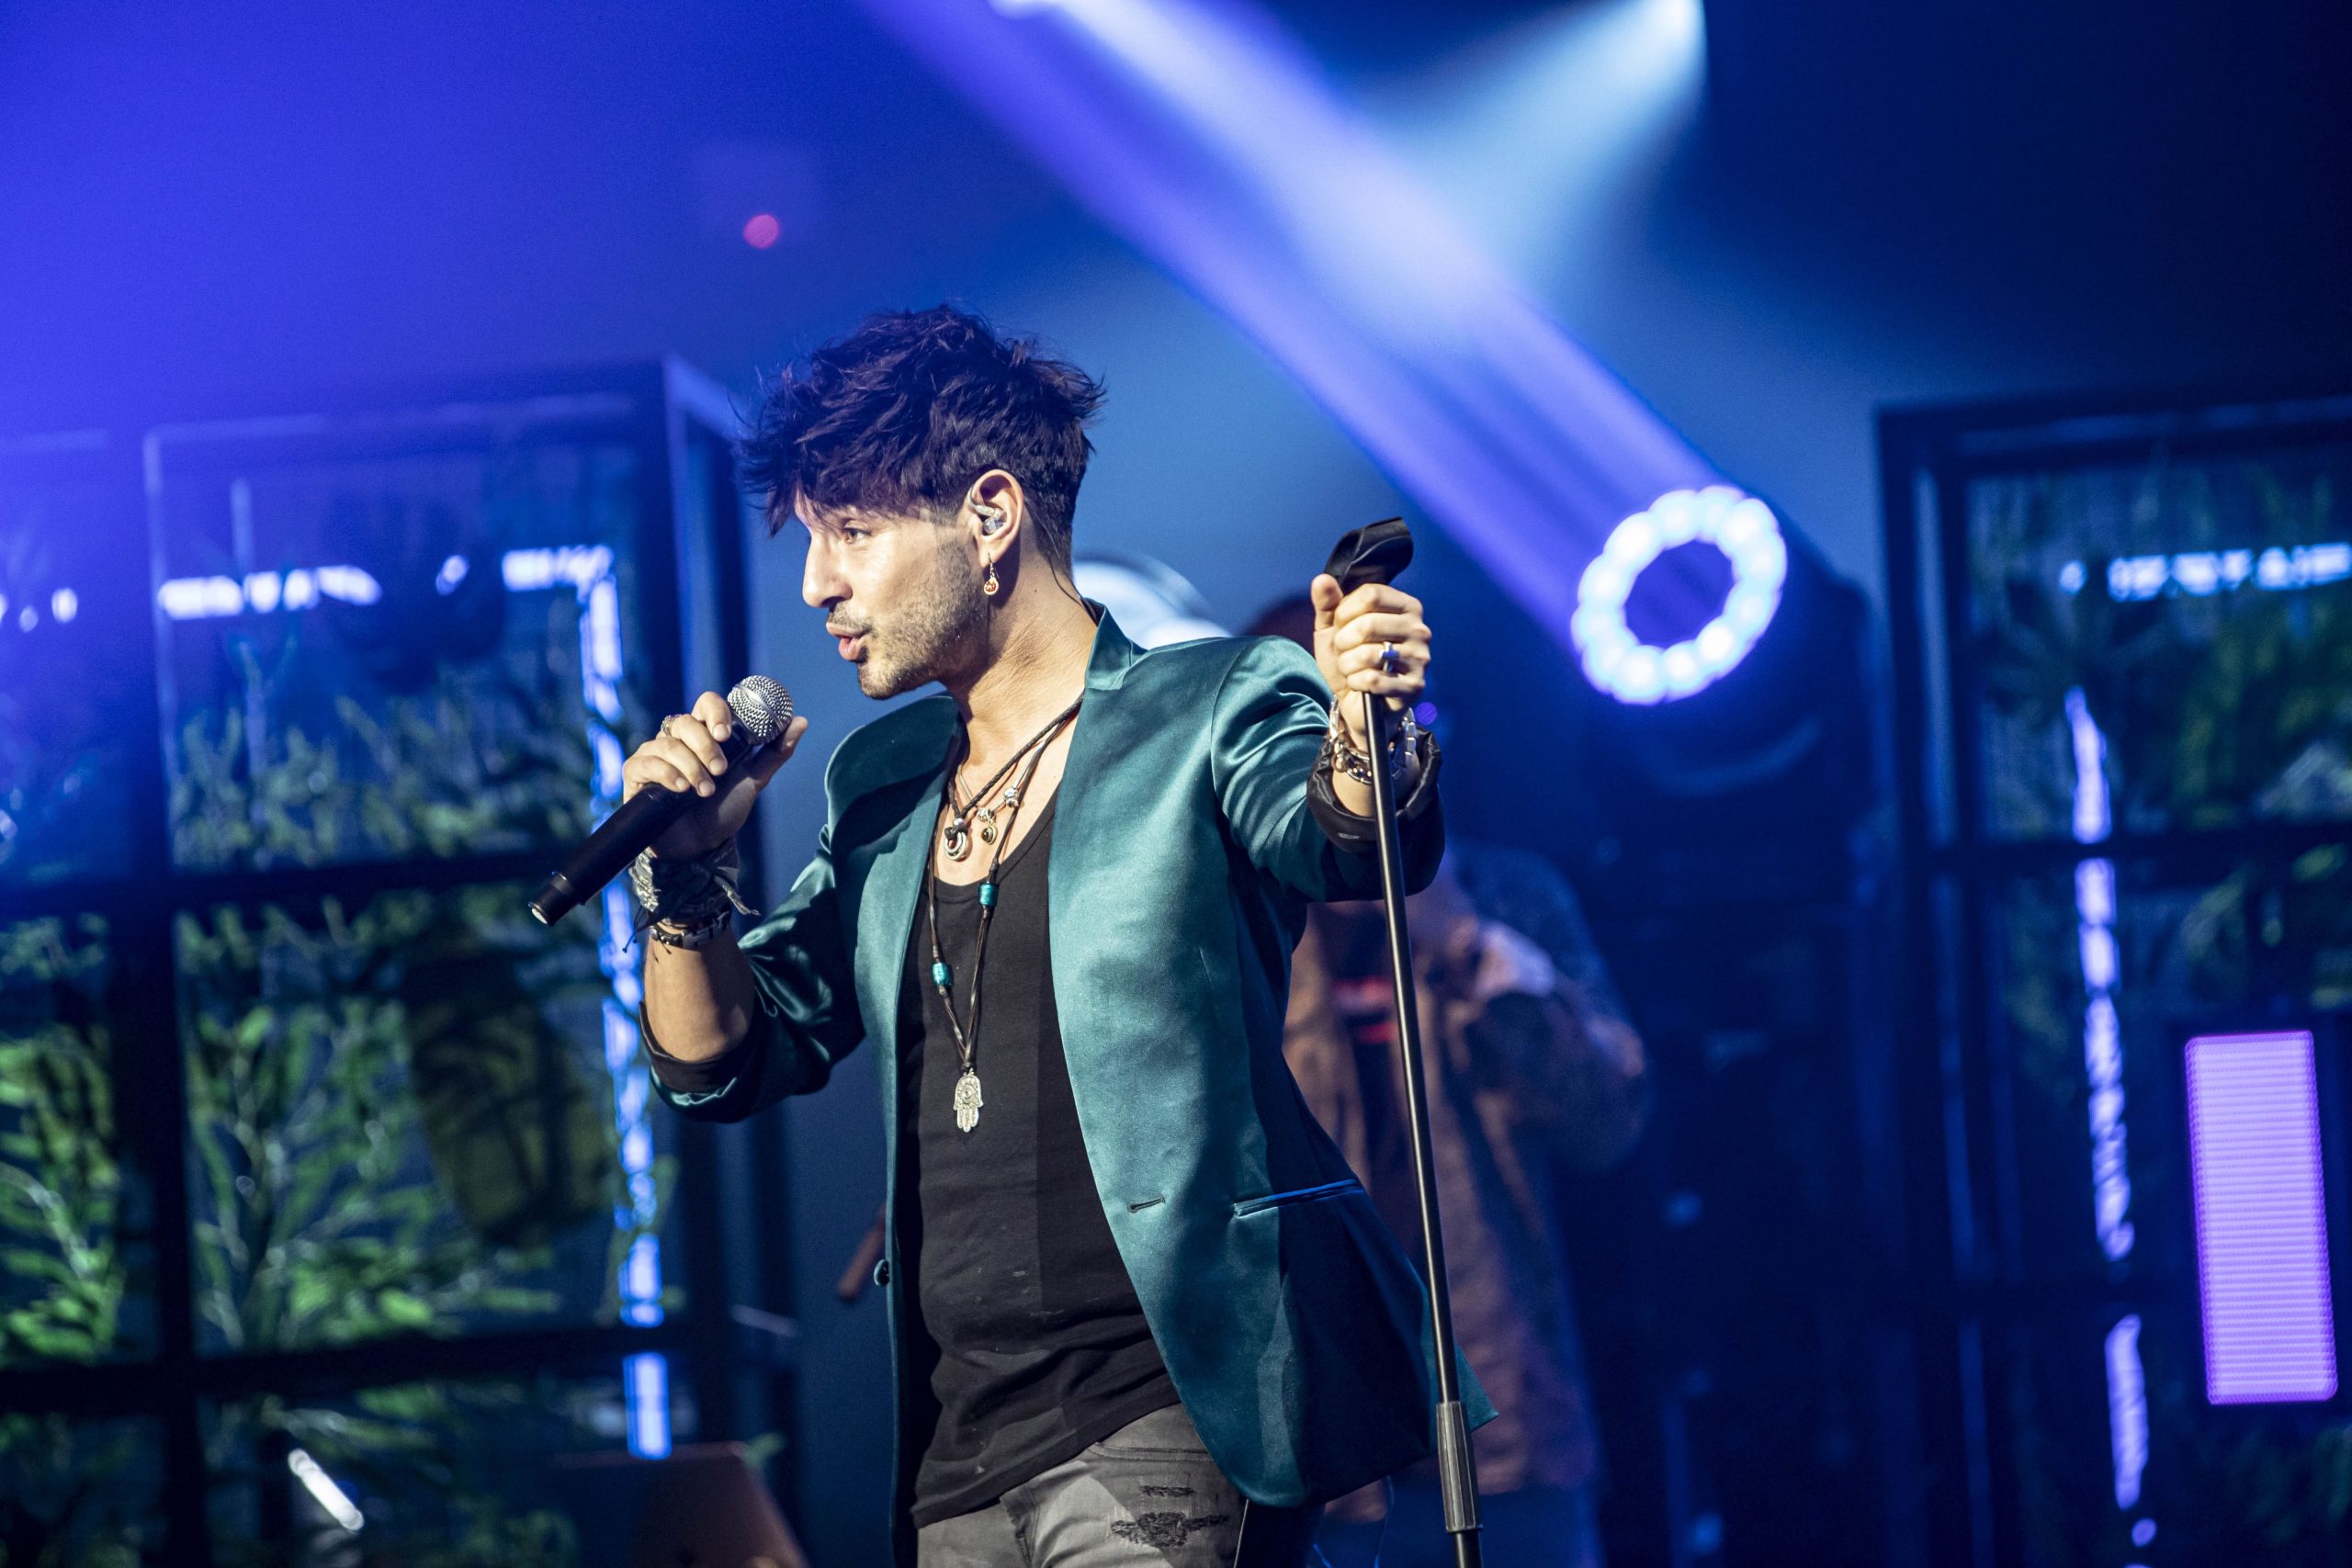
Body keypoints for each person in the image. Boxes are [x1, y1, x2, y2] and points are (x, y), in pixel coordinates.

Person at [624, 305, 1487, 1568]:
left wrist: (1366, 726)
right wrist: (684, 879)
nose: (818, 584)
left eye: (852, 533)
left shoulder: (1208, 704)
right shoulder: (883, 781)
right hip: (958, 1450)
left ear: (990, 515)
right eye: (812, 541)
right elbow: (725, 1063)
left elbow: (1345, 841)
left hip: (1167, 1405)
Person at [1250, 601, 1650, 1568]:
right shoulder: (1235, 925)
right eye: (1333, 723)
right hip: (1316, 1451)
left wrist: (1467, 943)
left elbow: (1608, 1119)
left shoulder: (1510, 897)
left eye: (1397, 721)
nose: (1370, 753)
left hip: (1504, 1432)